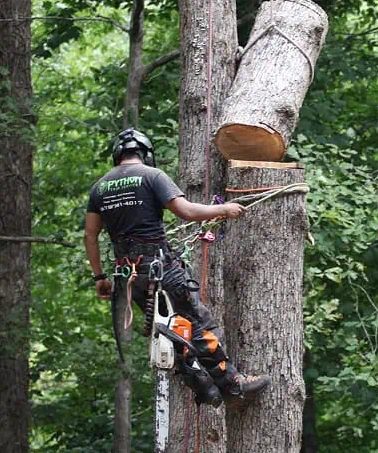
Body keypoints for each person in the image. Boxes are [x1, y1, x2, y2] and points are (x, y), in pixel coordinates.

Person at [84, 127, 270, 406]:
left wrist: (99, 276)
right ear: (146, 154)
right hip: (161, 267)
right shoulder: (152, 176)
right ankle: (232, 383)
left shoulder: (100, 187)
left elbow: (90, 235)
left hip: (129, 277)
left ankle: (205, 388)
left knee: (170, 328)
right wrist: (224, 209)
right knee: (195, 323)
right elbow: (187, 212)